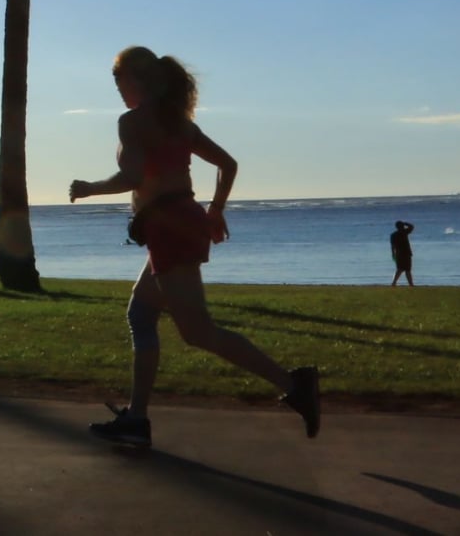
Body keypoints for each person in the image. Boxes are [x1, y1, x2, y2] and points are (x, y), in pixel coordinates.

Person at [69, 47, 320, 449]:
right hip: (179, 223)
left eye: (118, 80)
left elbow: (132, 176)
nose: (117, 89)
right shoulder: (179, 124)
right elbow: (228, 164)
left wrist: (89, 188)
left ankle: (295, 384)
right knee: (140, 313)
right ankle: (136, 419)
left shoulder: (133, 122)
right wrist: (215, 210)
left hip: (169, 228)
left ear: (135, 79)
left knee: (198, 331)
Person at [390, 220, 416, 287]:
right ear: (402, 226)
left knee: (400, 269)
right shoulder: (404, 232)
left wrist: (393, 254)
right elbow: (412, 226)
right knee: (407, 269)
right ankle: (410, 284)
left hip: (399, 254)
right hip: (406, 253)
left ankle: (394, 282)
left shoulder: (393, 235)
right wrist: (405, 223)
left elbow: (392, 246)